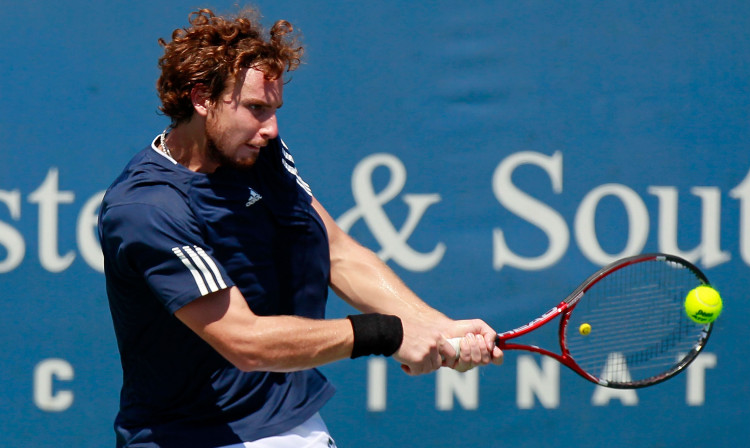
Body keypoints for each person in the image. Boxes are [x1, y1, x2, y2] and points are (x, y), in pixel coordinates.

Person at [98, 8, 503, 448]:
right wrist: (388, 334)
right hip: (191, 437)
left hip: (289, 423)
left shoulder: (255, 151)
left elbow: (336, 251)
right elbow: (245, 342)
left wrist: (437, 327)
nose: (271, 128)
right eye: (255, 108)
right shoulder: (147, 208)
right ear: (201, 98)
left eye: (274, 110)